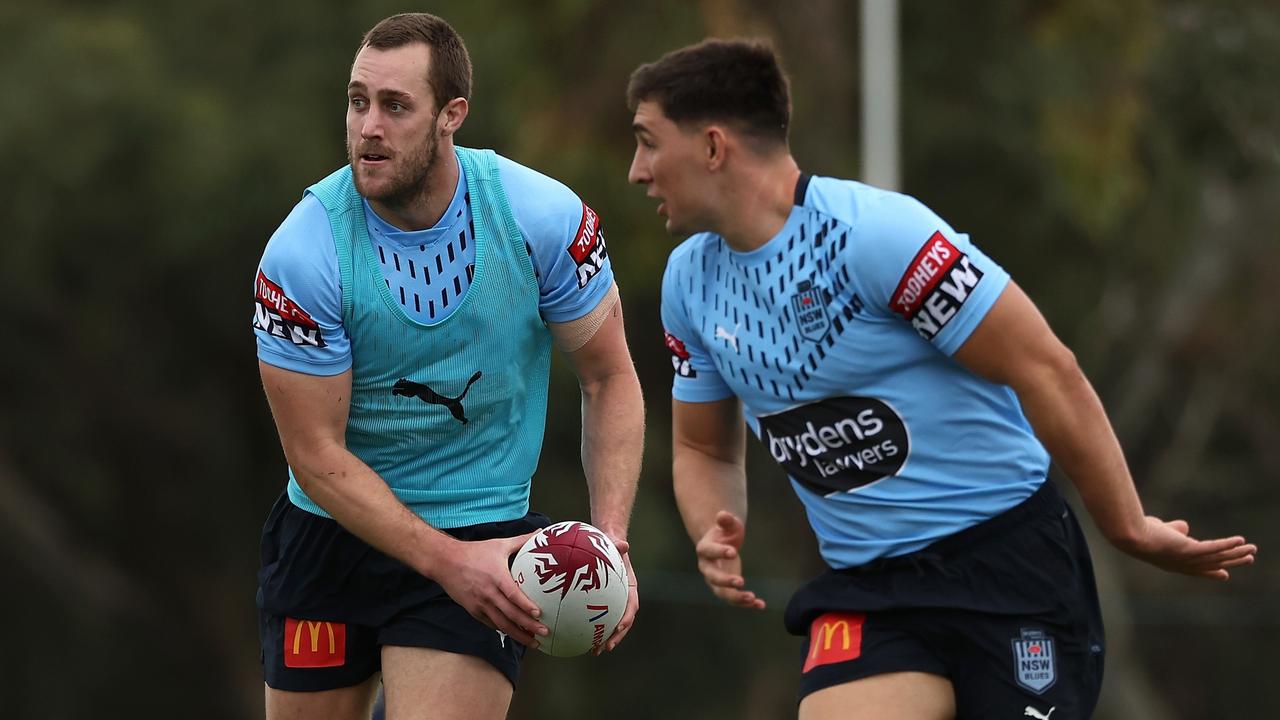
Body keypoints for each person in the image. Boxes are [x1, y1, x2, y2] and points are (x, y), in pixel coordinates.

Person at [627, 39, 1256, 720]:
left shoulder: (876, 237)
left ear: (713, 146)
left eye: (648, 142)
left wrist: (1128, 528)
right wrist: (712, 527)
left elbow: (1045, 366)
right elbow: (705, 449)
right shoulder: (690, 284)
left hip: (1009, 568)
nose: (637, 172)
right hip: (870, 590)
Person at [251, 13, 643, 720]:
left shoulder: (541, 218)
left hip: (484, 531)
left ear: (450, 115)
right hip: (331, 535)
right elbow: (314, 457)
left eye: (395, 106)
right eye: (357, 100)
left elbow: (609, 377)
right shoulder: (304, 253)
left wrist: (608, 543)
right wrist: (441, 560)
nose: (368, 126)